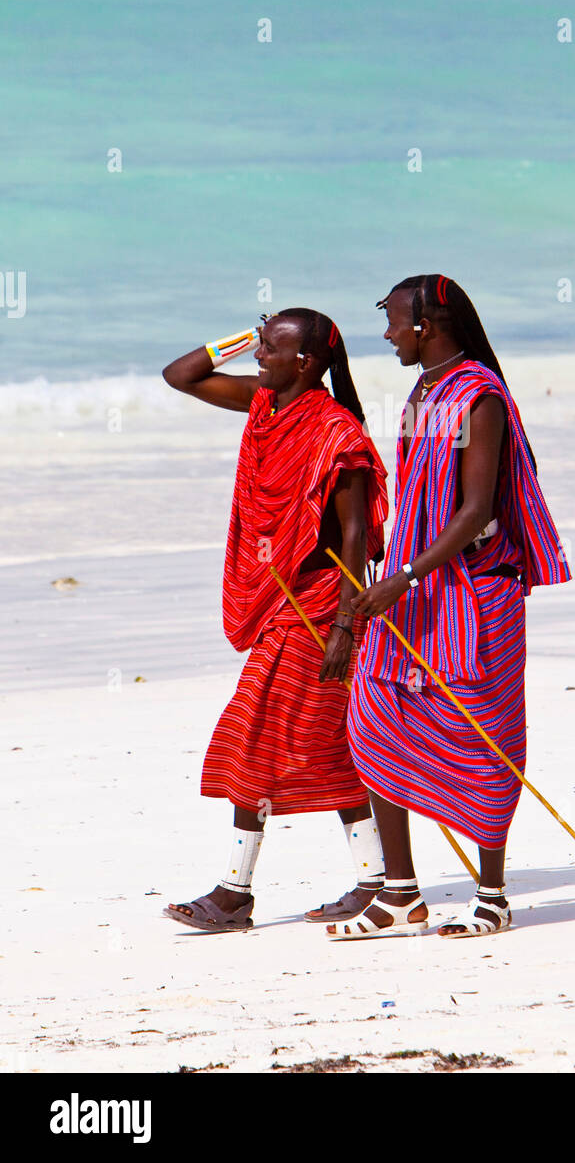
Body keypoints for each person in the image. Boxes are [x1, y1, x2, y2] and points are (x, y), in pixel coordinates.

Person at [326, 275, 570, 940]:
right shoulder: (420, 392)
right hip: (410, 590)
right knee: (373, 719)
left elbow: (475, 512)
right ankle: (400, 893)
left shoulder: (479, 397)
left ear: (427, 326)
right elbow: (414, 492)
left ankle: (492, 896)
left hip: (473, 592)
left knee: (482, 738)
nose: (386, 334)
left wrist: (403, 576)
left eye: (394, 322)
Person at [162, 309, 388, 931]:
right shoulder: (264, 404)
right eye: (259, 346)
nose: (259, 356)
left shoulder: (335, 434)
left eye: (271, 348)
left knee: (251, 735)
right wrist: (242, 336)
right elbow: (180, 374)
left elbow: (356, 540)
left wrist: (346, 627)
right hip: (277, 602)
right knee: (327, 746)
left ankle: (234, 893)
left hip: (318, 611)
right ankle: (376, 881)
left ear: (306, 363)